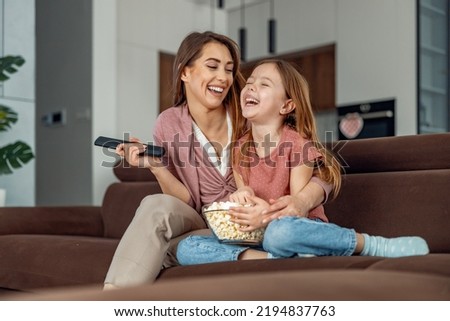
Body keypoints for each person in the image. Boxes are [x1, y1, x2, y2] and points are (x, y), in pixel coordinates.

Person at [103, 33, 331, 289]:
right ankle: (112, 301)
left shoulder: (248, 111)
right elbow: (186, 201)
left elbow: (320, 170)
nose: (223, 77)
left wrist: (301, 201)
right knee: (155, 205)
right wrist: (157, 167)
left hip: (251, 221)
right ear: (184, 72)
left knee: (167, 249)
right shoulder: (169, 123)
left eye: (229, 70)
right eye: (212, 66)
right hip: (204, 219)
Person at [176, 59, 430, 264]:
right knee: (188, 247)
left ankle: (370, 244)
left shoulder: (297, 145)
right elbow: (244, 189)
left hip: (293, 228)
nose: (250, 87)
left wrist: (265, 214)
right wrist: (241, 198)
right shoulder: (239, 148)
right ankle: (272, 260)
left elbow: (299, 209)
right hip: (257, 238)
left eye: (264, 84)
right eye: (250, 82)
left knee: (281, 233)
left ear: (287, 105)